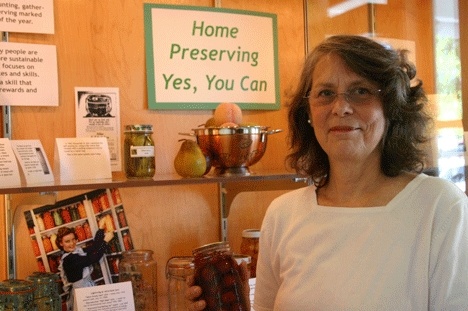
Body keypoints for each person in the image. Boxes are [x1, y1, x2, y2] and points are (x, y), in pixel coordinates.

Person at [186, 35, 468, 310]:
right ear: (308, 113)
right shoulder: (283, 214)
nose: (341, 107)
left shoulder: (440, 207)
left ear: (391, 106)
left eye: (361, 91)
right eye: (325, 93)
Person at [57, 217, 114, 311]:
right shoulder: (69, 259)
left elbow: (94, 247)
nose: (72, 243)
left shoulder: (75, 252)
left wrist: (100, 228)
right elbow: (93, 258)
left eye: (73, 239)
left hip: (86, 288)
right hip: (82, 293)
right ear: (61, 243)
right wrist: (105, 242)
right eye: (67, 241)